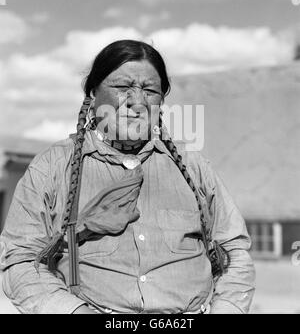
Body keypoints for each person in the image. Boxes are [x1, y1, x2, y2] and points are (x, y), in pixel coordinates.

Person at [0, 40, 255, 314]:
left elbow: (234, 251)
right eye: (122, 87)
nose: (137, 102)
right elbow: (21, 260)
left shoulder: (193, 167)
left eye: (150, 90)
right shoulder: (52, 167)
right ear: (93, 94)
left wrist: (226, 309)